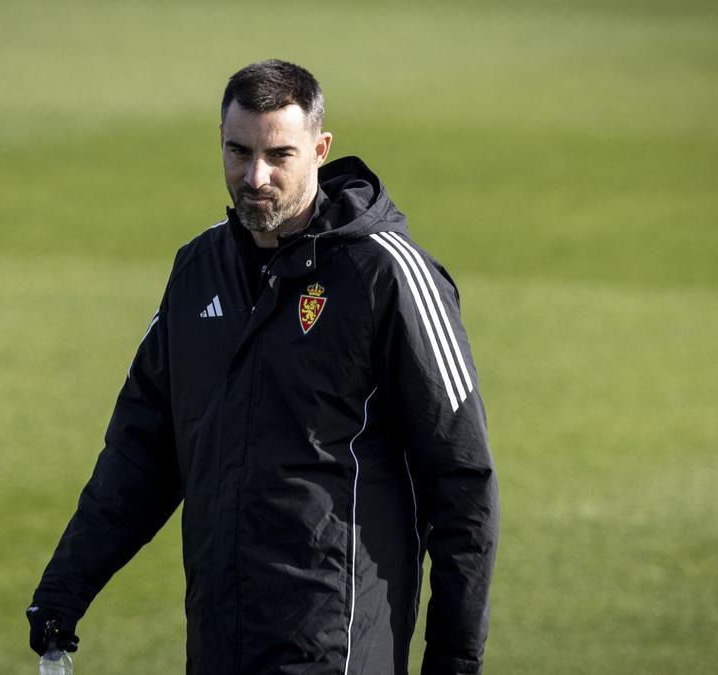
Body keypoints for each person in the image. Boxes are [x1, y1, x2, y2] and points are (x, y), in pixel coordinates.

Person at [28, 59, 498, 675]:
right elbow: (142, 451)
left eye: (279, 154)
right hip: (220, 639)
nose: (256, 176)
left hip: (336, 644)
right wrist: (67, 586)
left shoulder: (388, 276)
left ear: (320, 149)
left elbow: (461, 480)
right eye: (238, 151)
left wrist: (455, 661)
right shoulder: (198, 270)